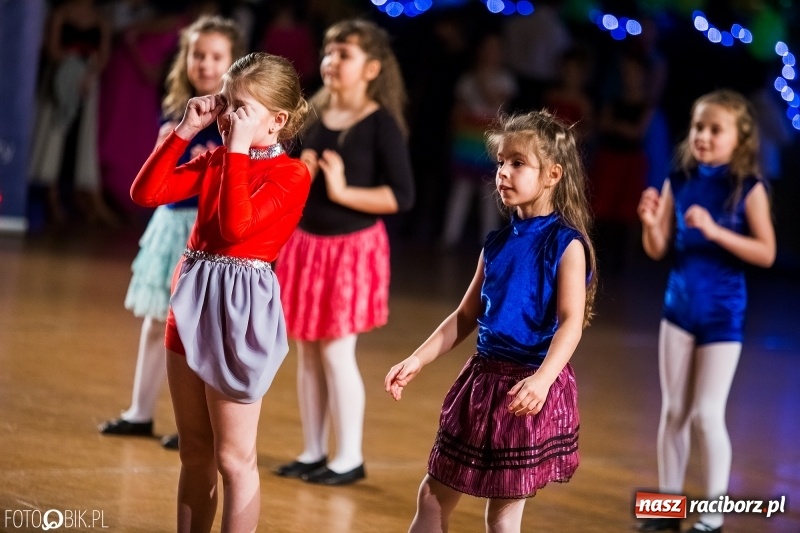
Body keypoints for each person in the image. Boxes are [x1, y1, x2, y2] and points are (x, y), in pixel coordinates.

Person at [386, 110, 597, 532]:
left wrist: (541, 380)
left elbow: (571, 322)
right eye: (501, 162)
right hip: (482, 384)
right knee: (433, 494)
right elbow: (465, 315)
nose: (502, 172)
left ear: (553, 174)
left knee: (503, 514)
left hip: (525, 390)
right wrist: (418, 359)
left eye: (517, 163)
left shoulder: (566, 245)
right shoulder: (496, 243)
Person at [130, 52, 311, 532]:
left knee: (233, 459)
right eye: (228, 105)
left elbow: (235, 228)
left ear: (278, 120)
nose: (230, 119)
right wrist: (187, 130)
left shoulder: (292, 175)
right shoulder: (216, 156)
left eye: (243, 110)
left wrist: (233, 152)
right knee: (194, 451)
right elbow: (145, 194)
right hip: (191, 301)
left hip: (240, 311)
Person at [273, 19, 415, 486]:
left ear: (371, 67)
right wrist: (303, 176)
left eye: (345, 54)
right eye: (329, 51)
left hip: (351, 250)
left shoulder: (380, 124)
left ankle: (348, 456)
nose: (332, 61)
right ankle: (314, 450)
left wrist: (341, 188)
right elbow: (296, 182)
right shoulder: (312, 113)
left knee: (336, 352)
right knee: (308, 353)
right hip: (306, 247)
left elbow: (400, 197)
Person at [99, 15, 244, 450]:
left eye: (216, 56)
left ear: (233, 61)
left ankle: (193, 424)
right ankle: (138, 412)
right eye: (197, 54)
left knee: (197, 331)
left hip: (203, 231)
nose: (205, 63)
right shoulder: (177, 105)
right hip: (169, 223)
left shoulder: (236, 117)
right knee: (154, 322)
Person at [636, 89, 776, 533]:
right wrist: (649, 222)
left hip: (722, 315)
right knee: (673, 411)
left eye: (716, 129)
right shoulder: (677, 179)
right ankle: (666, 511)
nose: (704, 136)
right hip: (678, 310)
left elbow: (766, 253)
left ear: (740, 138)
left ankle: (713, 515)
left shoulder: (748, 188)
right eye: (699, 127)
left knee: (706, 413)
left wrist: (716, 231)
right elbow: (658, 248)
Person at [28, 0, 117, 225]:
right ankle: (52, 198)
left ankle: (81, 198)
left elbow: (104, 55)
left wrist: (88, 72)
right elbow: (52, 49)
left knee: (82, 141)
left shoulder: (101, 20)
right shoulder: (61, 14)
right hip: (62, 81)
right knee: (54, 137)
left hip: (87, 86)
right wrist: (72, 69)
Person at [440, 32, 517, 249]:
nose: (490, 53)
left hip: (490, 138)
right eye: (487, 48)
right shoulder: (467, 79)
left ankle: (489, 240)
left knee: (489, 190)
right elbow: (458, 109)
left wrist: (482, 80)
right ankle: (450, 236)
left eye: (496, 49)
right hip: (467, 138)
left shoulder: (505, 79)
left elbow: (498, 103)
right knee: (461, 188)